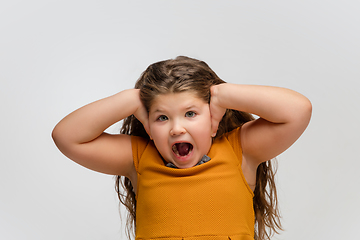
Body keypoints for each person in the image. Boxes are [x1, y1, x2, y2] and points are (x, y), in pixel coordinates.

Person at [52, 56, 312, 240]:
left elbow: (298, 111)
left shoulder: (240, 152)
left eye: (190, 113)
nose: (176, 129)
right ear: (149, 127)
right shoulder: (139, 159)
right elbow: (67, 136)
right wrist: (131, 99)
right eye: (162, 118)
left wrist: (223, 95)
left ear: (213, 117)